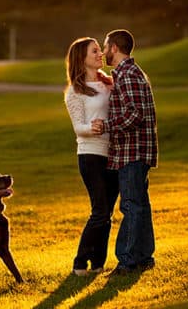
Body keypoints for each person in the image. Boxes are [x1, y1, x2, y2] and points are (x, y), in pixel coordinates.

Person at [91, 29, 157, 275]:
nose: (104, 51)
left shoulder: (128, 75)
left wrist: (107, 126)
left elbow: (135, 114)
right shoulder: (128, 73)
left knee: (131, 205)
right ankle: (144, 257)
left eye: (106, 47)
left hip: (133, 151)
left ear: (115, 48)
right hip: (135, 151)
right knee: (139, 204)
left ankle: (128, 260)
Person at [64, 37, 120, 276]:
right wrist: (94, 127)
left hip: (114, 155)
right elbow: (78, 127)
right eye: (95, 51)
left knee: (106, 213)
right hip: (90, 155)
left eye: (100, 50)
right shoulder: (74, 92)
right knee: (99, 210)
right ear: (82, 59)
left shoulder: (110, 83)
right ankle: (79, 263)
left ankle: (98, 264)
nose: (101, 54)